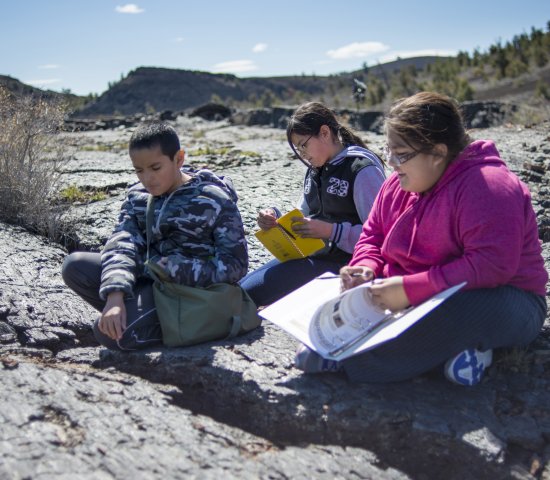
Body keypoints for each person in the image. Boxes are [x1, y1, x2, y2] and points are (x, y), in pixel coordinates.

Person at [295, 91, 548, 386]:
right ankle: (465, 353)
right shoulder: (397, 183)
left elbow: (490, 266)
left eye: (401, 154)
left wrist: (411, 290)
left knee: (454, 311)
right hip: (421, 288)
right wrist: (366, 266)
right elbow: (373, 234)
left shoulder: (489, 187)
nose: (391, 163)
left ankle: (350, 359)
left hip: (507, 298)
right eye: (388, 151)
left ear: (439, 152)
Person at [62, 122, 248, 350]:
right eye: (139, 170)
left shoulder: (214, 200)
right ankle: (133, 311)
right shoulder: (137, 196)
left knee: (109, 336)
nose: (147, 179)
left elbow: (236, 265)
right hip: (147, 278)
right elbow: (123, 242)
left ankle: (165, 323)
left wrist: (177, 269)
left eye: (155, 168)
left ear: (178, 159)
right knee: (75, 266)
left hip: (187, 293)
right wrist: (115, 293)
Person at [240, 102, 385, 306]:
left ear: (325, 133)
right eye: (297, 149)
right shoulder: (316, 169)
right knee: (239, 288)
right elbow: (303, 213)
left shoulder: (362, 170)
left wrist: (331, 231)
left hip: (346, 266)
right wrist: (274, 218)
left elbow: (382, 238)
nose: (302, 154)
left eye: (303, 145)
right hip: (312, 256)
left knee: (246, 295)